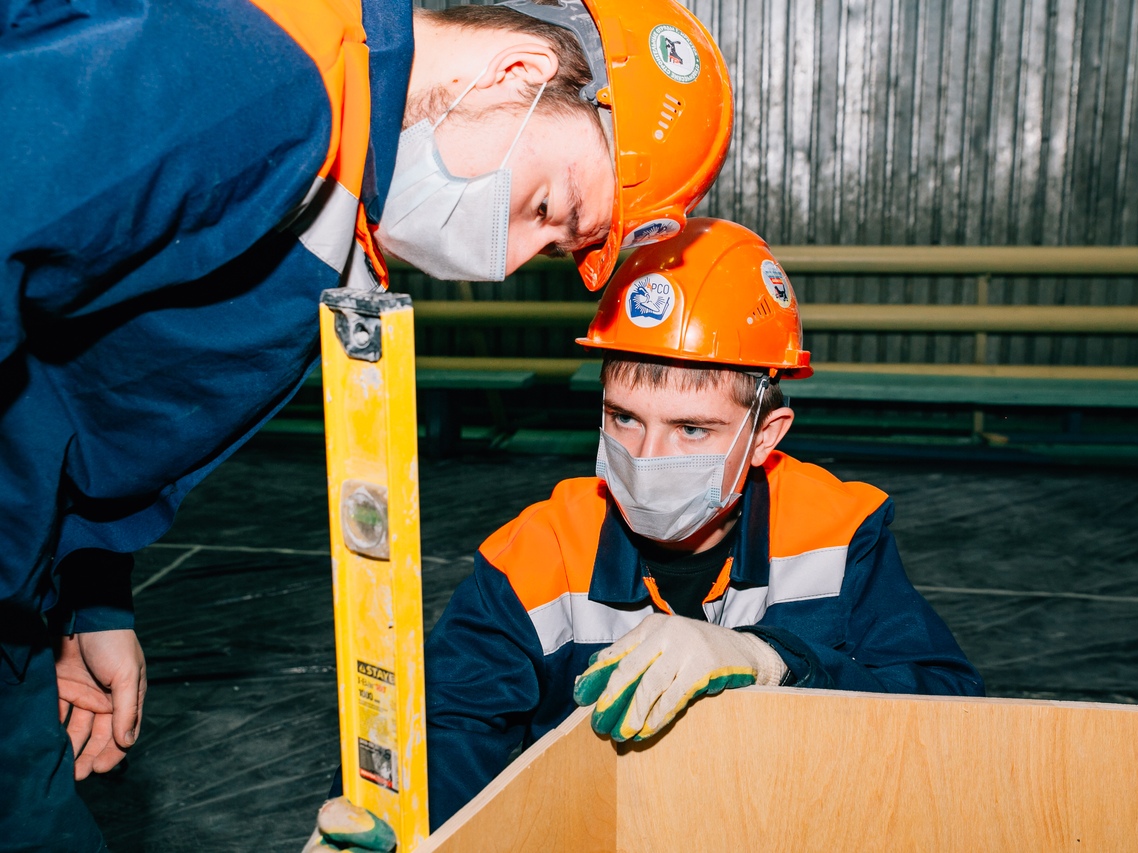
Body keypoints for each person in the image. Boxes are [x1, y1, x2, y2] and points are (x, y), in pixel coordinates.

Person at [0, 0, 733, 848]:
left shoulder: (349, 200)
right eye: (547, 207)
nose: (502, 264)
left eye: (550, 249)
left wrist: (87, 593)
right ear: (520, 74)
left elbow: (83, 367)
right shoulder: (273, 76)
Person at [415, 218, 985, 833]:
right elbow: (447, 730)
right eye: (625, 418)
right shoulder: (535, 557)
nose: (648, 456)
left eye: (691, 429)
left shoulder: (838, 532)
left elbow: (946, 713)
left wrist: (772, 660)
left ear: (765, 436)